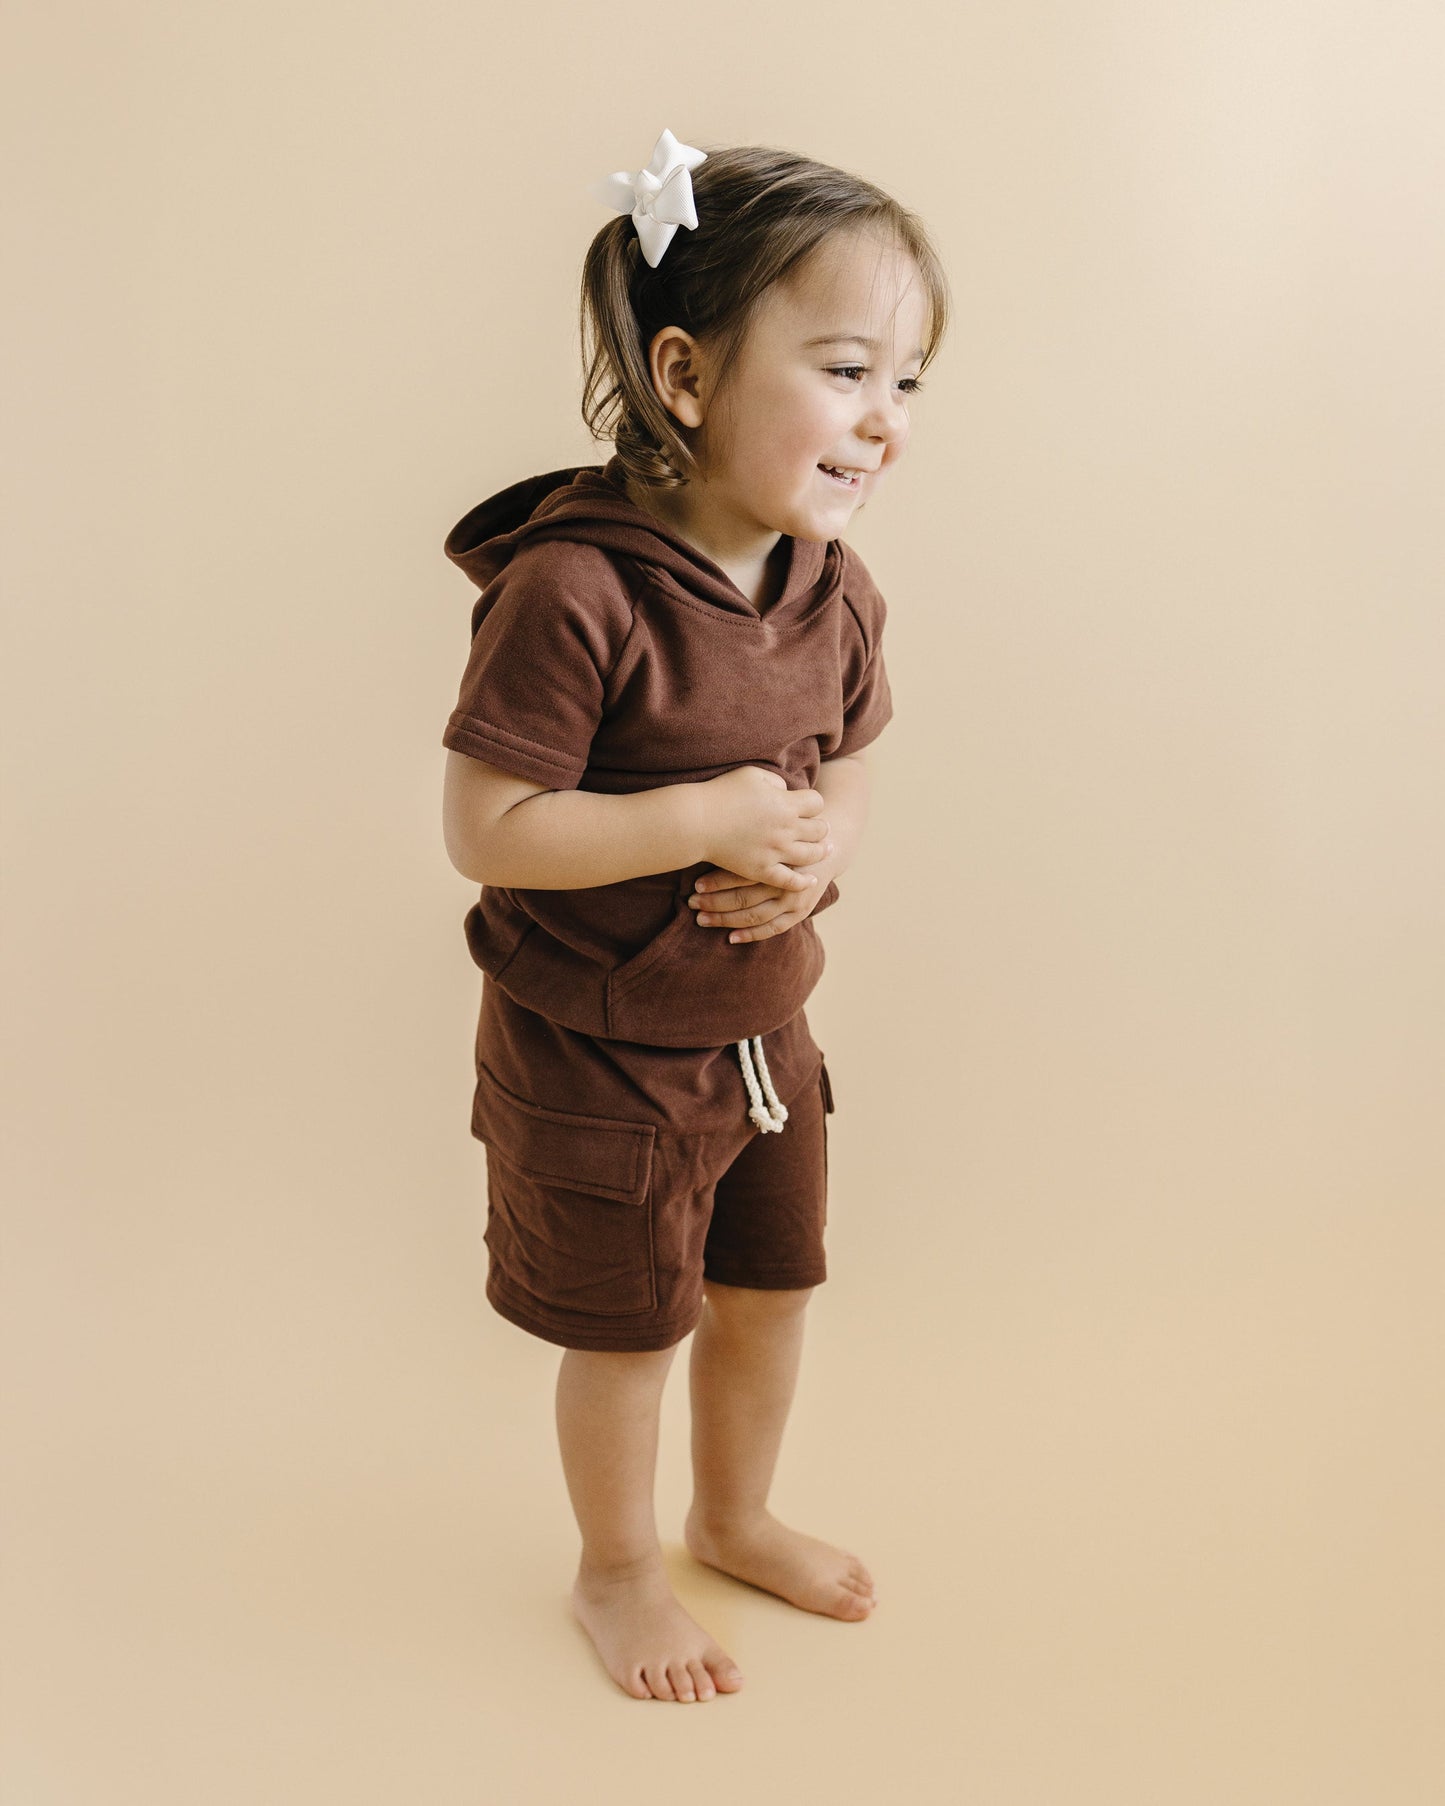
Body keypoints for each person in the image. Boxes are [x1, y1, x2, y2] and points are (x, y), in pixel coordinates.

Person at [439, 129, 949, 1703]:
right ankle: (613, 1567)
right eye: (847, 371)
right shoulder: (575, 592)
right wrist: (702, 817)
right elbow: (485, 828)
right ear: (683, 373)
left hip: (759, 1030)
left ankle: (732, 1513)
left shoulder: (829, 583)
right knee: (629, 1330)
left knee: (769, 1288)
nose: (885, 417)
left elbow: (849, 756)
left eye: (908, 382)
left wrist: (818, 851)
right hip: (599, 1054)